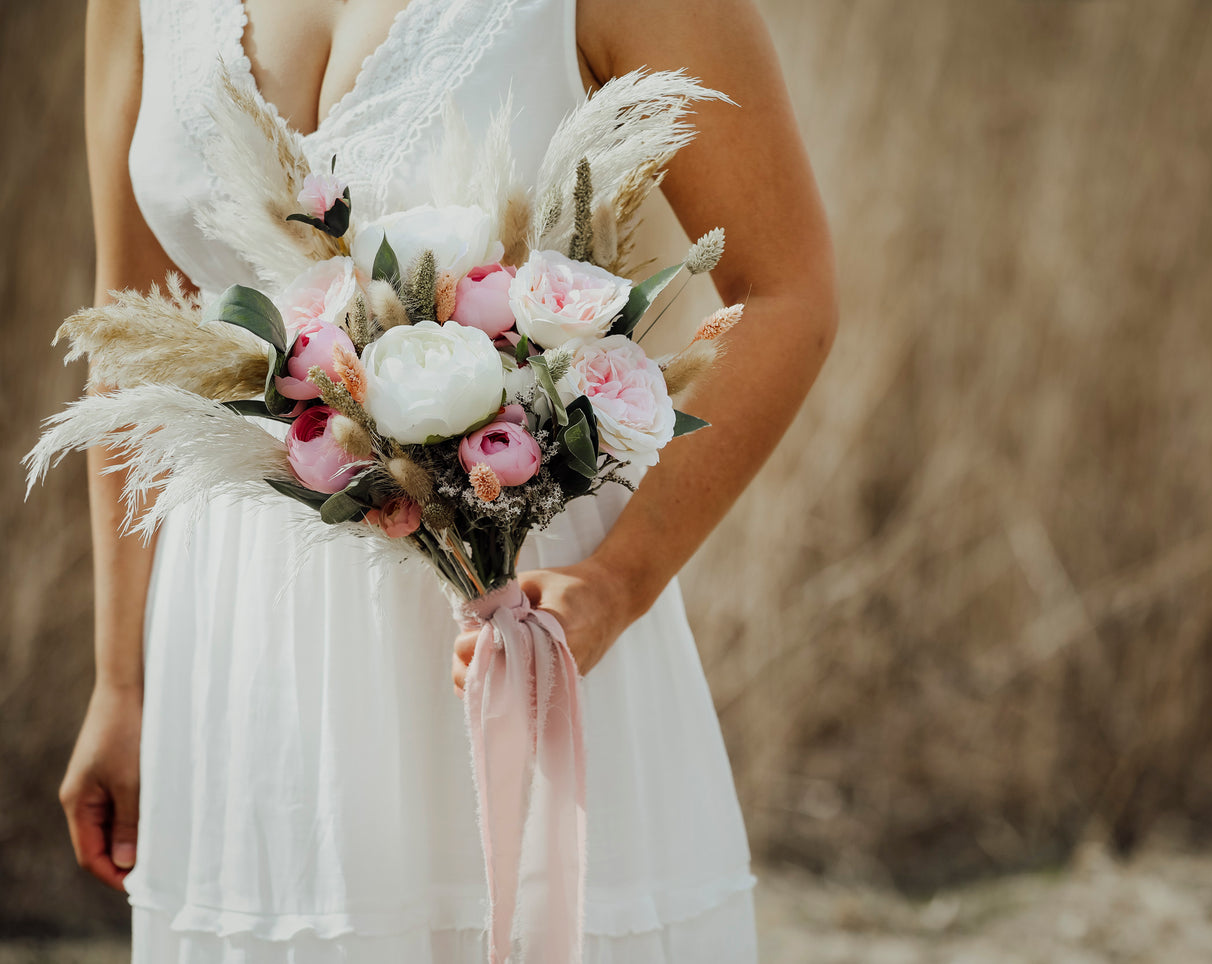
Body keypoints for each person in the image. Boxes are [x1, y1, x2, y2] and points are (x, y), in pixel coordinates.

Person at [63, 0, 836, 959]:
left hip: (522, 605)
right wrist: (120, 682)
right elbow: (131, 328)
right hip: (236, 638)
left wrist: (617, 582)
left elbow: (786, 289)